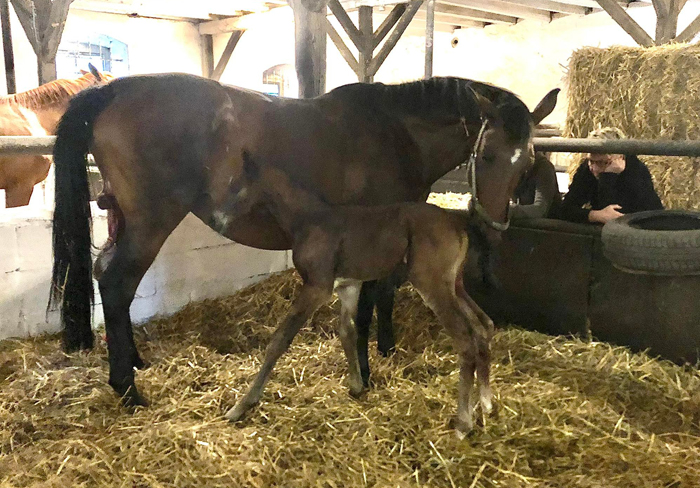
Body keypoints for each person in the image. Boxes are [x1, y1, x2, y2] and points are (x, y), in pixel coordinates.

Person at [557, 127, 663, 224]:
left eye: (602, 162)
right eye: (591, 161)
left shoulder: (635, 171)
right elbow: (565, 209)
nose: (594, 168)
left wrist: (608, 176)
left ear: (619, 157)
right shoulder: (587, 169)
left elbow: (616, 215)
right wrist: (594, 215)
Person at [510, 151, 561, 220]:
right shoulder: (511, 167)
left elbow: (540, 209)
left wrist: (509, 210)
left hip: (543, 228)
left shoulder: (544, 168)